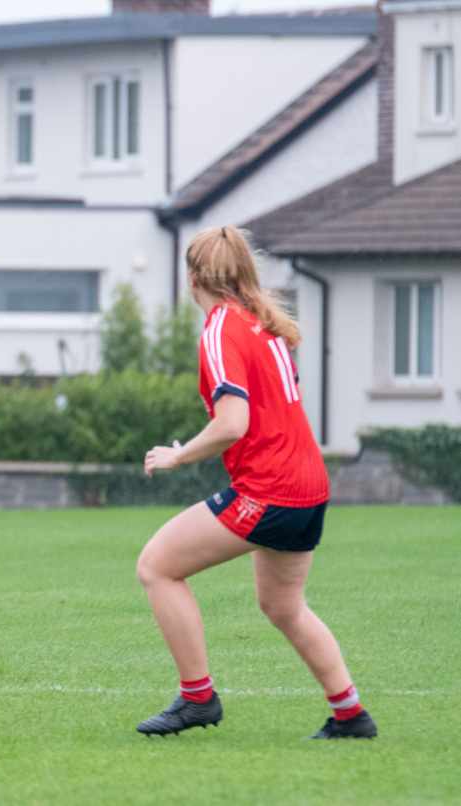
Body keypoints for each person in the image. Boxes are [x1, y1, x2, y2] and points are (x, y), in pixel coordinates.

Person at [134, 226, 376, 740]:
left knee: (157, 566)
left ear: (192, 277)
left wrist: (179, 457)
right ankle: (351, 716)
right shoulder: (263, 324)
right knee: (284, 606)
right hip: (310, 487)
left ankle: (197, 700)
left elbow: (232, 423)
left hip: (270, 490)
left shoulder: (222, 328)